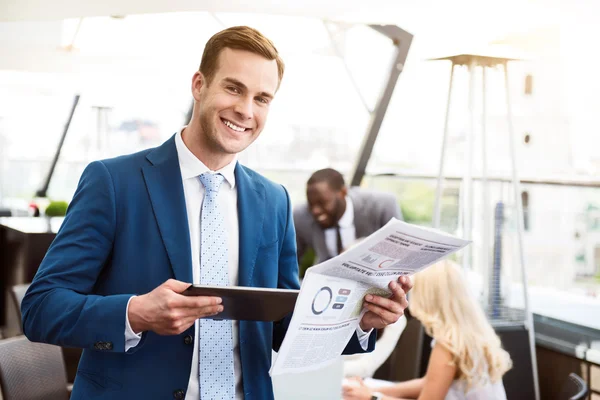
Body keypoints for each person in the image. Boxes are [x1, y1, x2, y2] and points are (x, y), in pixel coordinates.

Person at [21, 26, 412, 400]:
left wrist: (361, 321)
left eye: (261, 98)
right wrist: (135, 313)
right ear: (198, 85)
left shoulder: (273, 200)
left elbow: (283, 325)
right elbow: (41, 307)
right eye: (233, 88)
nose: (245, 110)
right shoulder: (114, 181)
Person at [342, 260, 512, 400]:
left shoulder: (448, 345)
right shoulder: (471, 335)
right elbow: (431, 382)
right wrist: (374, 388)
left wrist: (372, 397)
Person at [294, 168, 403, 265]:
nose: (315, 211)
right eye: (311, 204)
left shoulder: (382, 206)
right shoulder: (300, 216)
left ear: (343, 192)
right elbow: (290, 261)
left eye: (322, 203)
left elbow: (400, 253)